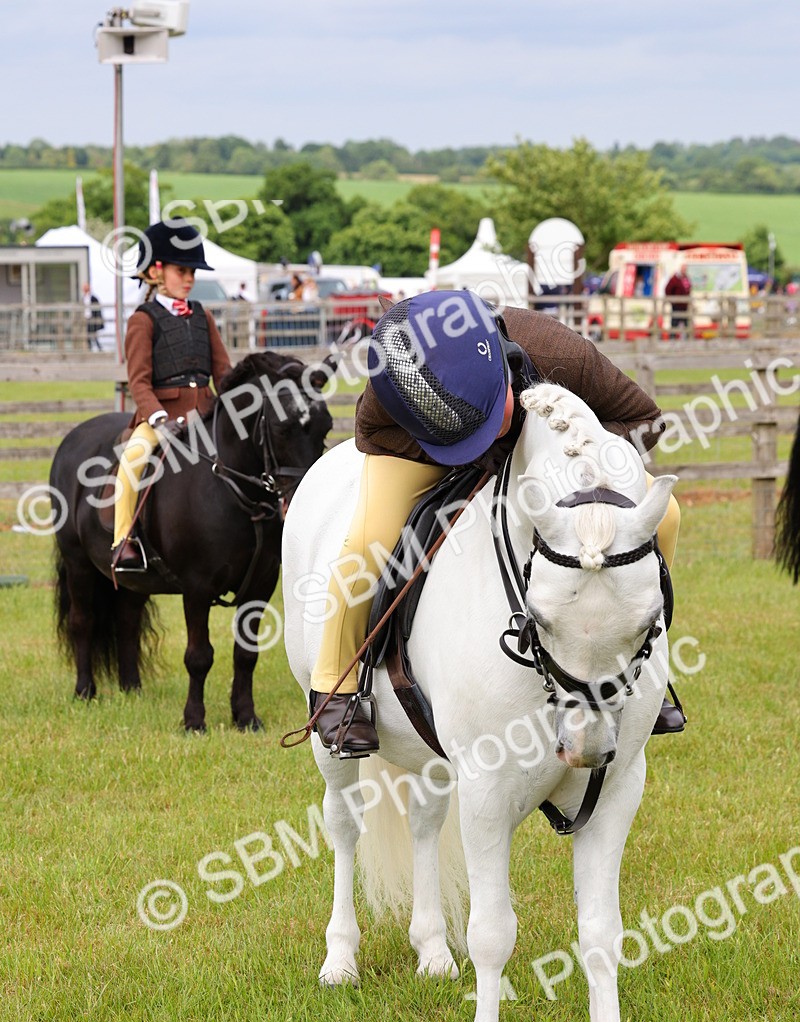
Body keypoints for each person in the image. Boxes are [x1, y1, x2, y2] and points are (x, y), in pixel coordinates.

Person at [307, 290, 683, 757]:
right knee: (369, 541)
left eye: (491, 416)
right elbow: (371, 436)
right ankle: (333, 686)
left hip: (553, 459)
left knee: (667, 514)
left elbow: (646, 421)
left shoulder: (561, 354)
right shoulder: (392, 388)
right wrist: (469, 455)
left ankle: (643, 659)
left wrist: (569, 453)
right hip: (430, 449)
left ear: (507, 365)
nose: (489, 431)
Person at [111, 219, 232, 571]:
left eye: (192, 271)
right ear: (156, 271)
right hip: (162, 417)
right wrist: (159, 419)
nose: (189, 278)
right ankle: (123, 540)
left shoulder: (203, 316)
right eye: (182, 271)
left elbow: (223, 373)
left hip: (206, 413)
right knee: (132, 460)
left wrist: (237, 400)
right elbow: (139, 382)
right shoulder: (143, 320)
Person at [665, 266, 692, 339]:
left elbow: (688, 289)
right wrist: (672, 300)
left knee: (686, 323)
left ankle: (687, 338)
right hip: (677, 305)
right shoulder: (675, 279)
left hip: (685, 305)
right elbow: (667, 289)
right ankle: (672, 338)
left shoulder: (686, 278)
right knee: (674, 322)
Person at [82, 281, 104, 351]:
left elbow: (98, 309)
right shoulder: (83, 298)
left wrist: (97, 319)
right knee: (88, 334)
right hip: (86, 318)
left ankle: (97, 347)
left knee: (93, 333)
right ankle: (90, 348)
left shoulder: (94, 298)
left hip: (92, 318)